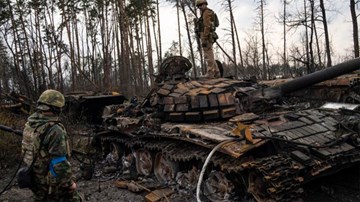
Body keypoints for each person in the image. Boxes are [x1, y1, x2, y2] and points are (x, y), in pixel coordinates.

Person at [21, 89, 81, 201]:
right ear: (57, 108)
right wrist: (69, 184)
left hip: (34, 178)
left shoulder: (30, 124)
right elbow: (58, 163)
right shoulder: (55, 130)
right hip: (51, 183)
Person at [196, 0, 220, 78]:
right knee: (210, 54)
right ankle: (216, 72)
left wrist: (205, 38)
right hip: (208, 35)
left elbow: (207, 26)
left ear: (205, 4)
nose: (200, 7)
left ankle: (210, 72)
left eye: (201, 5)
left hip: (206, 36)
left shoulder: (206, 13)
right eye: (198, 6)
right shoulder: (207, 12)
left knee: (208, 55)